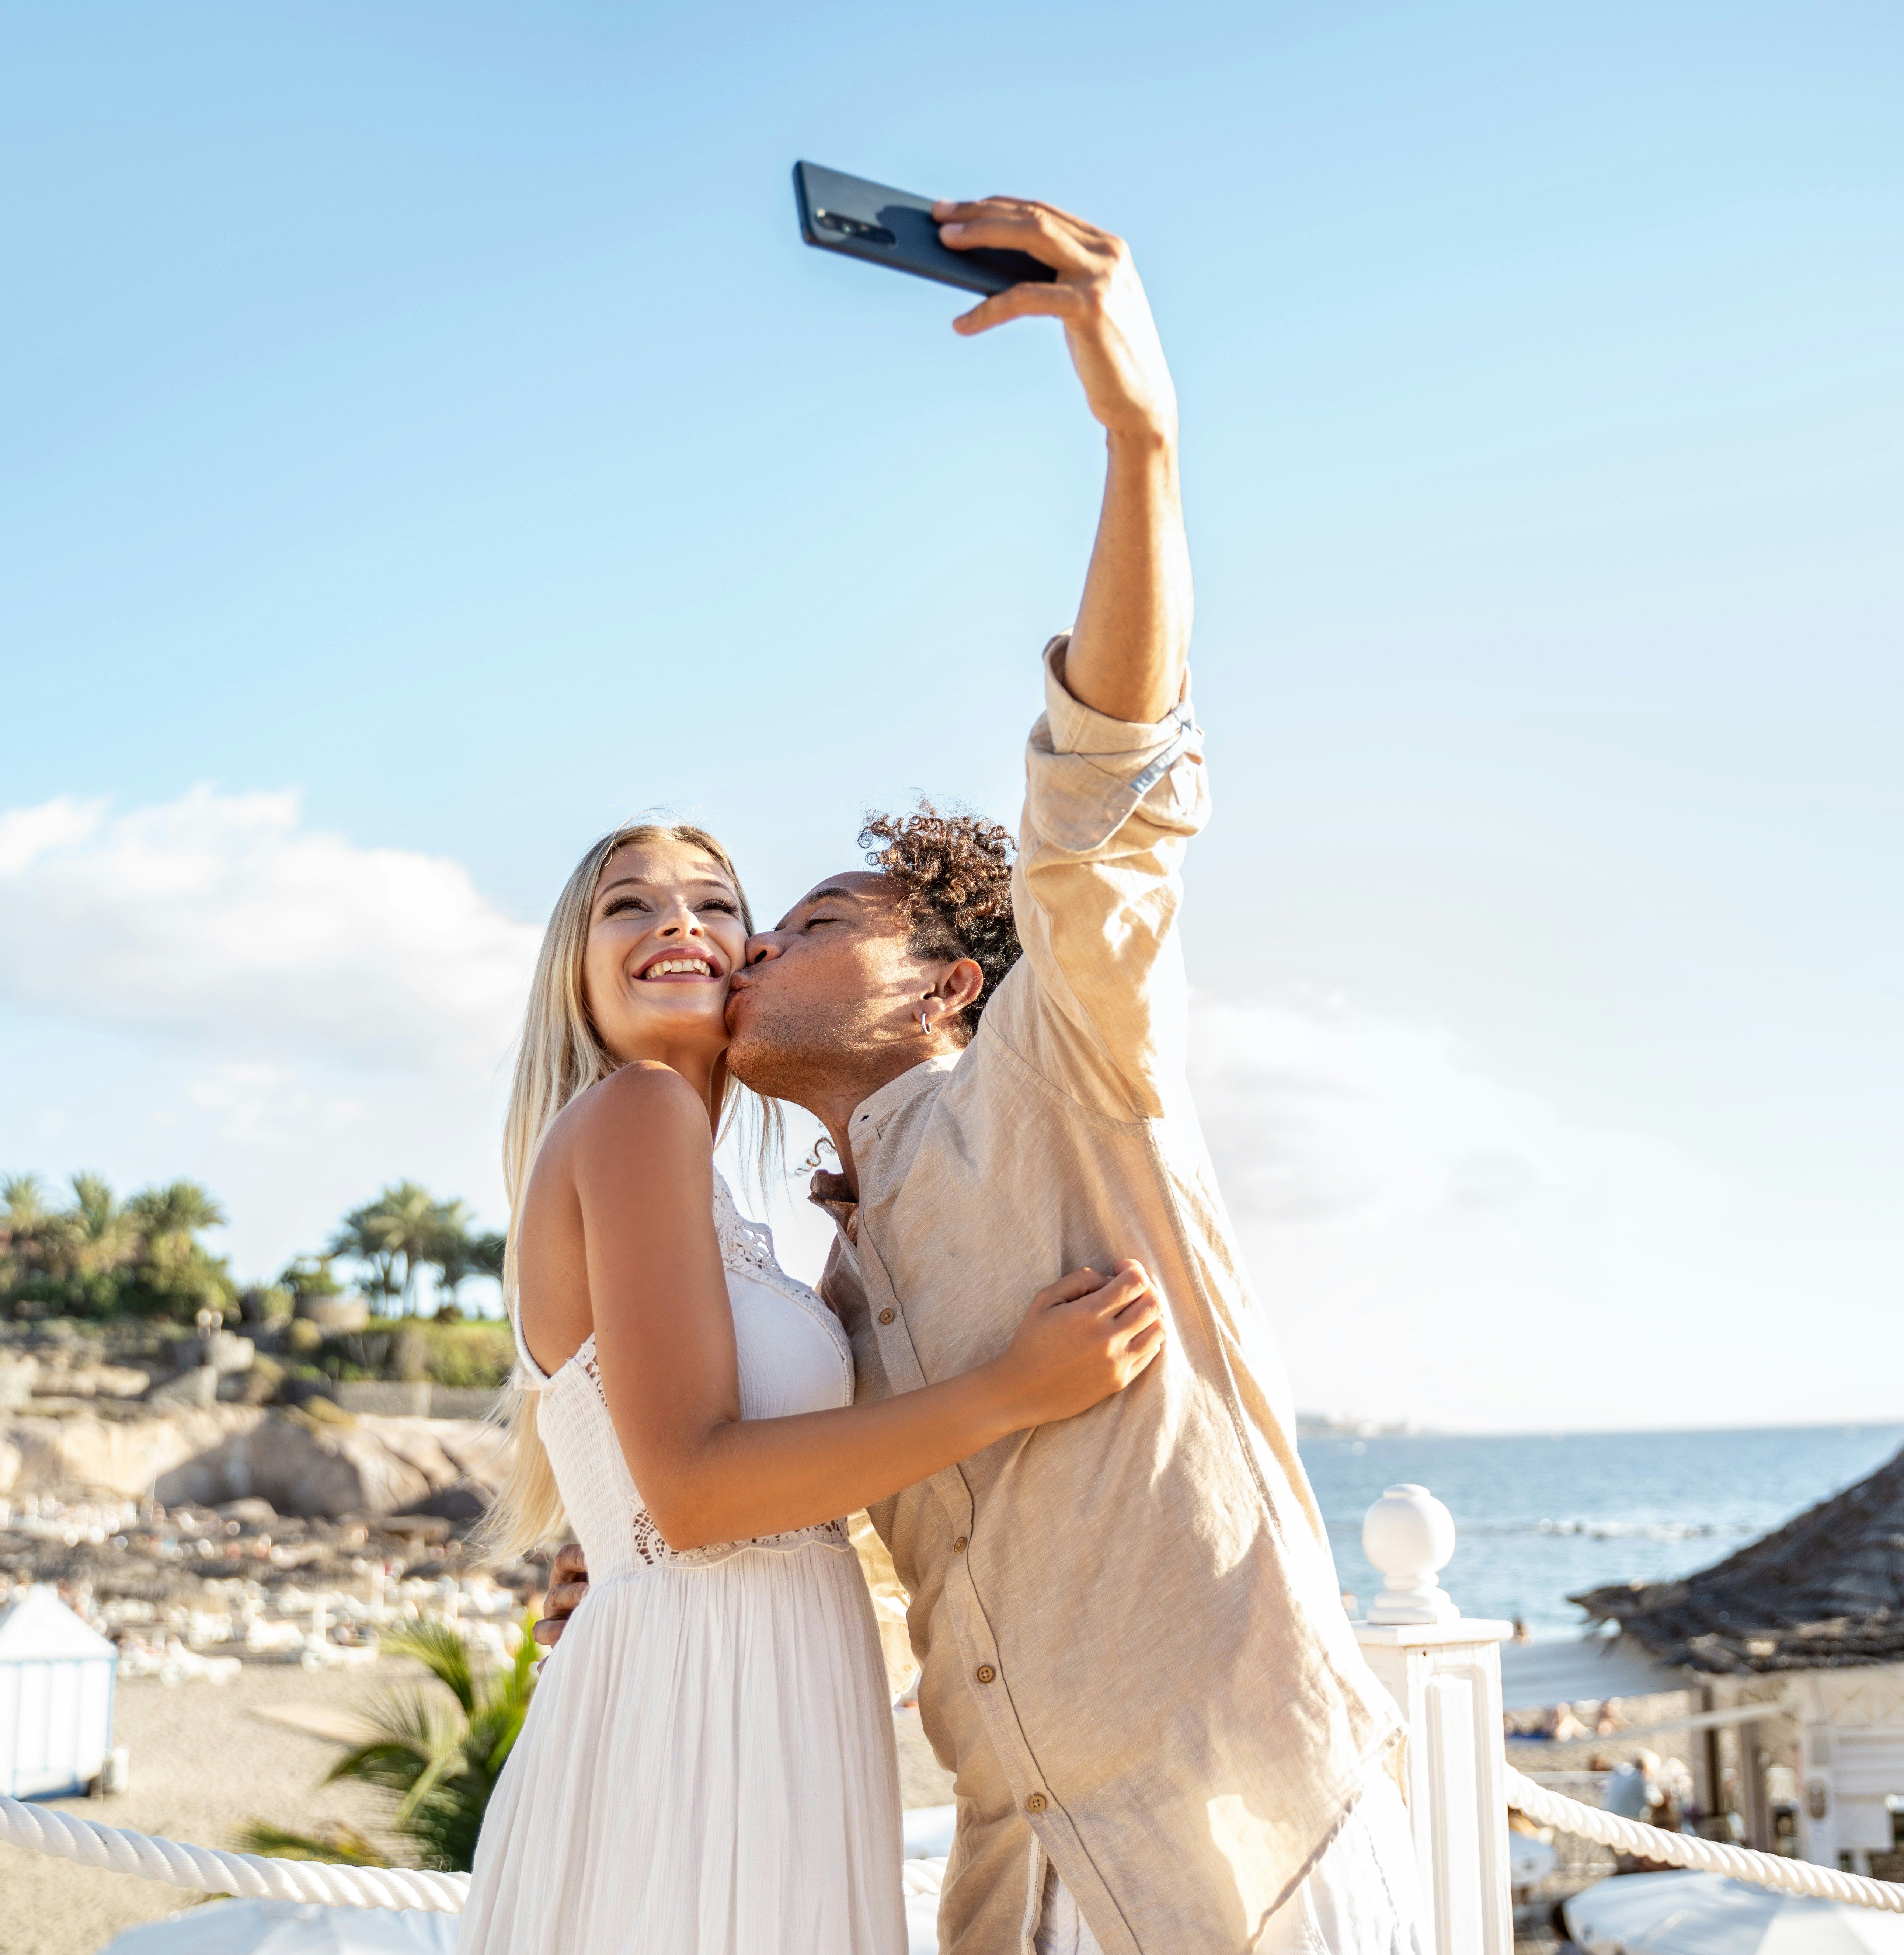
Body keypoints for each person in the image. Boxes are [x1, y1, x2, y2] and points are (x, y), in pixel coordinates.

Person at [556, 194, 1422, 1954]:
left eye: (812, 919)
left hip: (1242, 1843)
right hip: (1017, 1880)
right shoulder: (829, 1281)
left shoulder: (1062, 1068)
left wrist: (1137, 436)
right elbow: (741, 1480)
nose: (748, 948)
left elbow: (1105, 800)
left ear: (950, 982)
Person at [455, 818, 1167, 1955]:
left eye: (715, 903)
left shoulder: (705, 1187)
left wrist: (621, 1553)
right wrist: (1015, 1389)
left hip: (743, 1677)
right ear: (574, 975)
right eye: (629, 904)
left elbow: (686, 1487)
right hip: (710, 1700)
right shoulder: (638, 1110)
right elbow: (694, 1491)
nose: (681, 921)